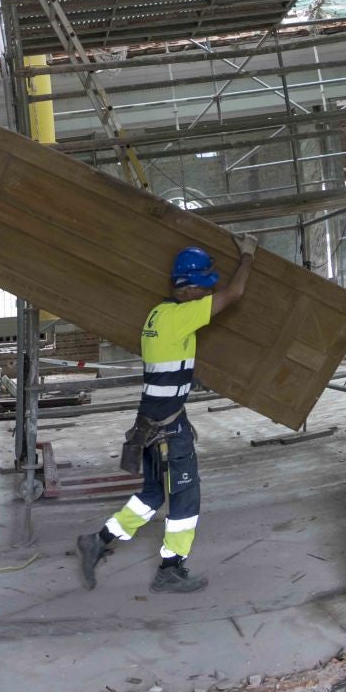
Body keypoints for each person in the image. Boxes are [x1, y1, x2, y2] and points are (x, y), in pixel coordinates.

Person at [77, 235, 258, 593]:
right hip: (167, 428)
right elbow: (234, 294)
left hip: (151, 420)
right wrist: (248, 255)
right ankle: (170, 568)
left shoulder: (156, 315)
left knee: (153, 493)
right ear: (188, 288)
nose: (207, 295)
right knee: (185, 497)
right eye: (203, 288)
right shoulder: (180, 316)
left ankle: (98, 539)